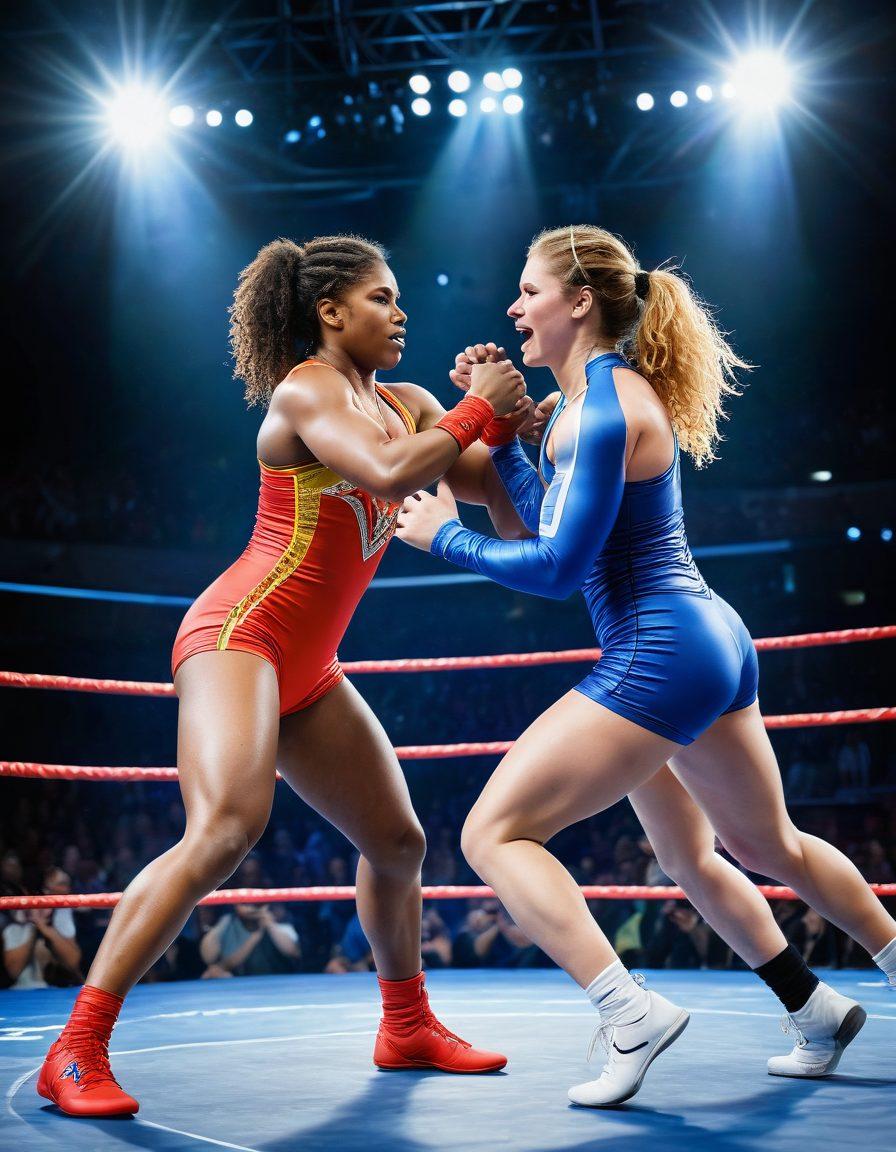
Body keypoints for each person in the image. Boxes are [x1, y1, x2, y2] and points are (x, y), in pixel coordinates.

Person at [396, 224, 896, 1106]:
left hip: (657, 647)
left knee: (492, 833)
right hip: (703, 640)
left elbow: (554, 567)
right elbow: (555, 521)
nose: (513, 307)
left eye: (529, 290)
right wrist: (508, 435)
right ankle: (814, 1009)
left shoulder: (599, 409)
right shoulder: (598, 397)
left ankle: (628, 1013)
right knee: (725, 850)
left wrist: (449, 538)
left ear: (580, 301)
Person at [39, 233, 530, 1117]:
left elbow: (494, 509)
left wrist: (504, 421)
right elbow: (385, 472)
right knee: (225, 827)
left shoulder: (414, 403)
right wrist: (468, 415)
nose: (401, 310)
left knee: (398, 842)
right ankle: (75, 1049)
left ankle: (407, 1024)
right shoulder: (305, 391)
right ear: (330, 312)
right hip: (238, 634)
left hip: (309, 666)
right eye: (381, 297)